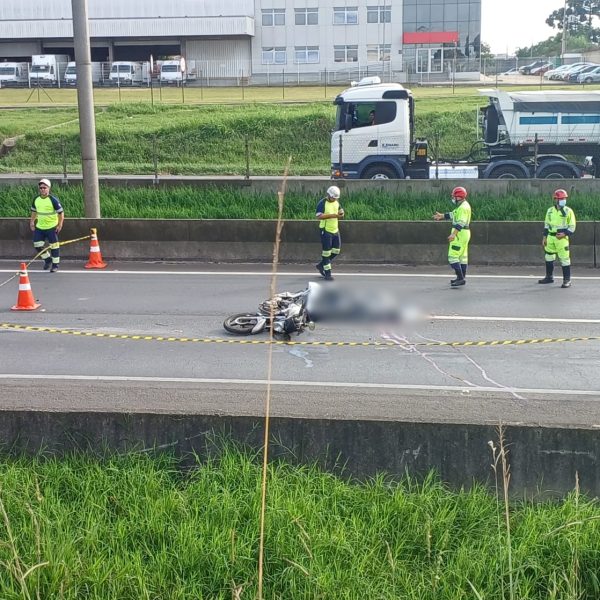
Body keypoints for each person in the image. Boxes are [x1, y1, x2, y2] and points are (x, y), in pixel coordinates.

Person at [433, 186, 472, 287]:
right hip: (464, 233)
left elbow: (461, 222)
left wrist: (453, 234)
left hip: (460, 233)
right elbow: (454, 214)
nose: (453, 198)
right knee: (463, 256)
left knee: (453, 256)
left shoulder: (463, 208)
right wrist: (442, 216)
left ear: (458, 197)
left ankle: (460, 278)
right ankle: (461, 277)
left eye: (454, 197)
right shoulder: (463, 205)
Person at [538, 188, 576, 288]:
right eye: (561, 198)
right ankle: (549, 277)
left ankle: (567, 280)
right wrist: (544, 237)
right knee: (548, 257)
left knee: (565, 259)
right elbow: (546, 225)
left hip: (562, 239)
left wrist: (565, 234)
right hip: (550, 237)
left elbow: (572, 226)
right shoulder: (550, 211)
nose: (563, 200)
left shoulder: (568, 211)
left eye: (564, 198)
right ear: (556, 200)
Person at [30, 178, 64, 272]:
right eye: (41, 188)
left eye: (44, 187)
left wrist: (60, 225)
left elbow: (61, 213)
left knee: (54, 246)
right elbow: (34, 211)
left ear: (48, 188)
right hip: (40, 227)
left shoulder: (53, 200)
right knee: (37, 245)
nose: (42, 189)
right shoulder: (36, 199)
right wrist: (32, 222)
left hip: (51, 227)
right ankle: (47, 260)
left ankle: (55, 265)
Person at [315, 185, 344, 281]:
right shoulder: (322, 203)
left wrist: (341, 213)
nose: (334, 199)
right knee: (326, 252)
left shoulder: (336, 202)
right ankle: (328, 273)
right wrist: (334, 215)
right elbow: (319, 216)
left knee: (336, 250)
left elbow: (340, 210)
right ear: (329, 195)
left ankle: (321, 265)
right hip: (326, 230)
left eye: (336, 198)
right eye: (333, 197)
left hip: (335, 229)